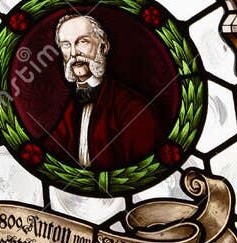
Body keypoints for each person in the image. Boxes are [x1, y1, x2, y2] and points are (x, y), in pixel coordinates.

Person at [40, 13, 162, 170]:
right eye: (66, 45)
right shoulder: (71, 107)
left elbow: (146, 167)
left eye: (82, 42)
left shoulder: (132, 108)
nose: (73, 53)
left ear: (103, 47)